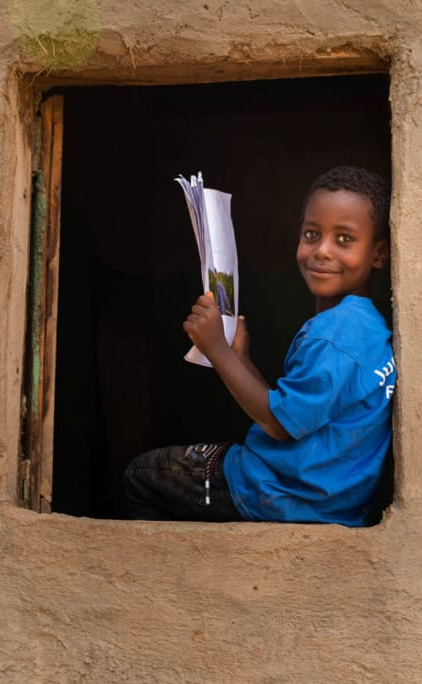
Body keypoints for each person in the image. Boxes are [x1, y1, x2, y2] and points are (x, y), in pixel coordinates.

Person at [123, 166, 397, 526]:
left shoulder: (334, 336)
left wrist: (217, 350)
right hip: (331, 501)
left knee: (143, 475)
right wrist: (242, 358)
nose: (322, 252)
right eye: (311, 234)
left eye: (344, 239)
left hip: (278, 494)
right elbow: (296, 410)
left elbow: (278, 425)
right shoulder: (369, 329)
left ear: (379, 254)